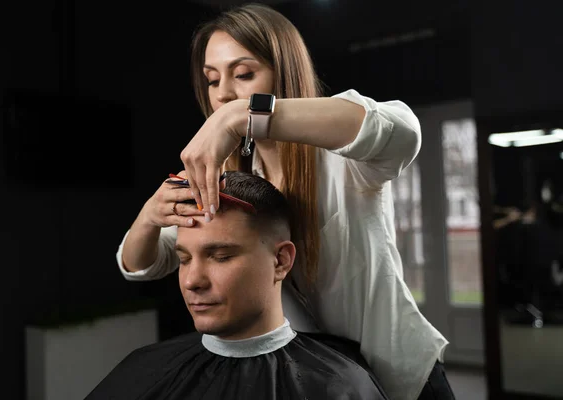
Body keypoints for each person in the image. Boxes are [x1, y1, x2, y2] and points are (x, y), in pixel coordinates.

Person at [116, 3, 454, 400]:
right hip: (319, 381)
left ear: (283, 71)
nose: (224, 93)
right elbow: (143, 264)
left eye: (243, 74)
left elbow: (402, 131)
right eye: (211, 80)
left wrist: (242, 114)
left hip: (400, 376)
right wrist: (149, 217)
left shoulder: (344, 159)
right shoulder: (229, 180)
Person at [88, 171, 388, 400]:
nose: (193, 281)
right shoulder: (143, 371)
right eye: (184, 259)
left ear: (281, 261)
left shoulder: (340, 386)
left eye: (220, 257)